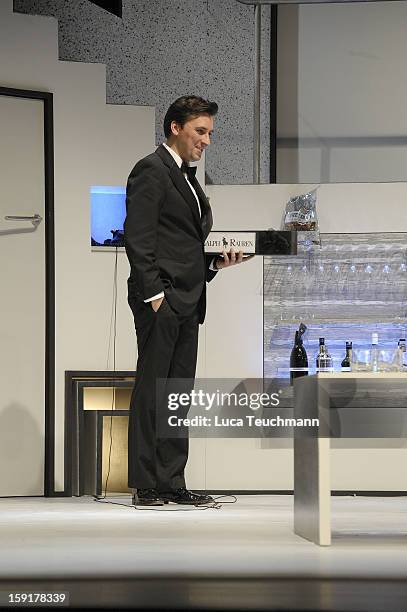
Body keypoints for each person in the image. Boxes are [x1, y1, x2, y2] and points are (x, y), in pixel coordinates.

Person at [124, 95, 249, 506]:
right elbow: (139, 241)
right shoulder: (151, 170)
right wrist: (155, 295)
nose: (207, 140)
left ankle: (171, 481)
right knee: (152, 390)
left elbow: (184, 245)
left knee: (177, 393)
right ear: (175, 128)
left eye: (210, 132)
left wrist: (214, 265)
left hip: (189, 298)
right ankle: (145, 483)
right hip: (162, 300)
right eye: (201, 131)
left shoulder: (190, 179)